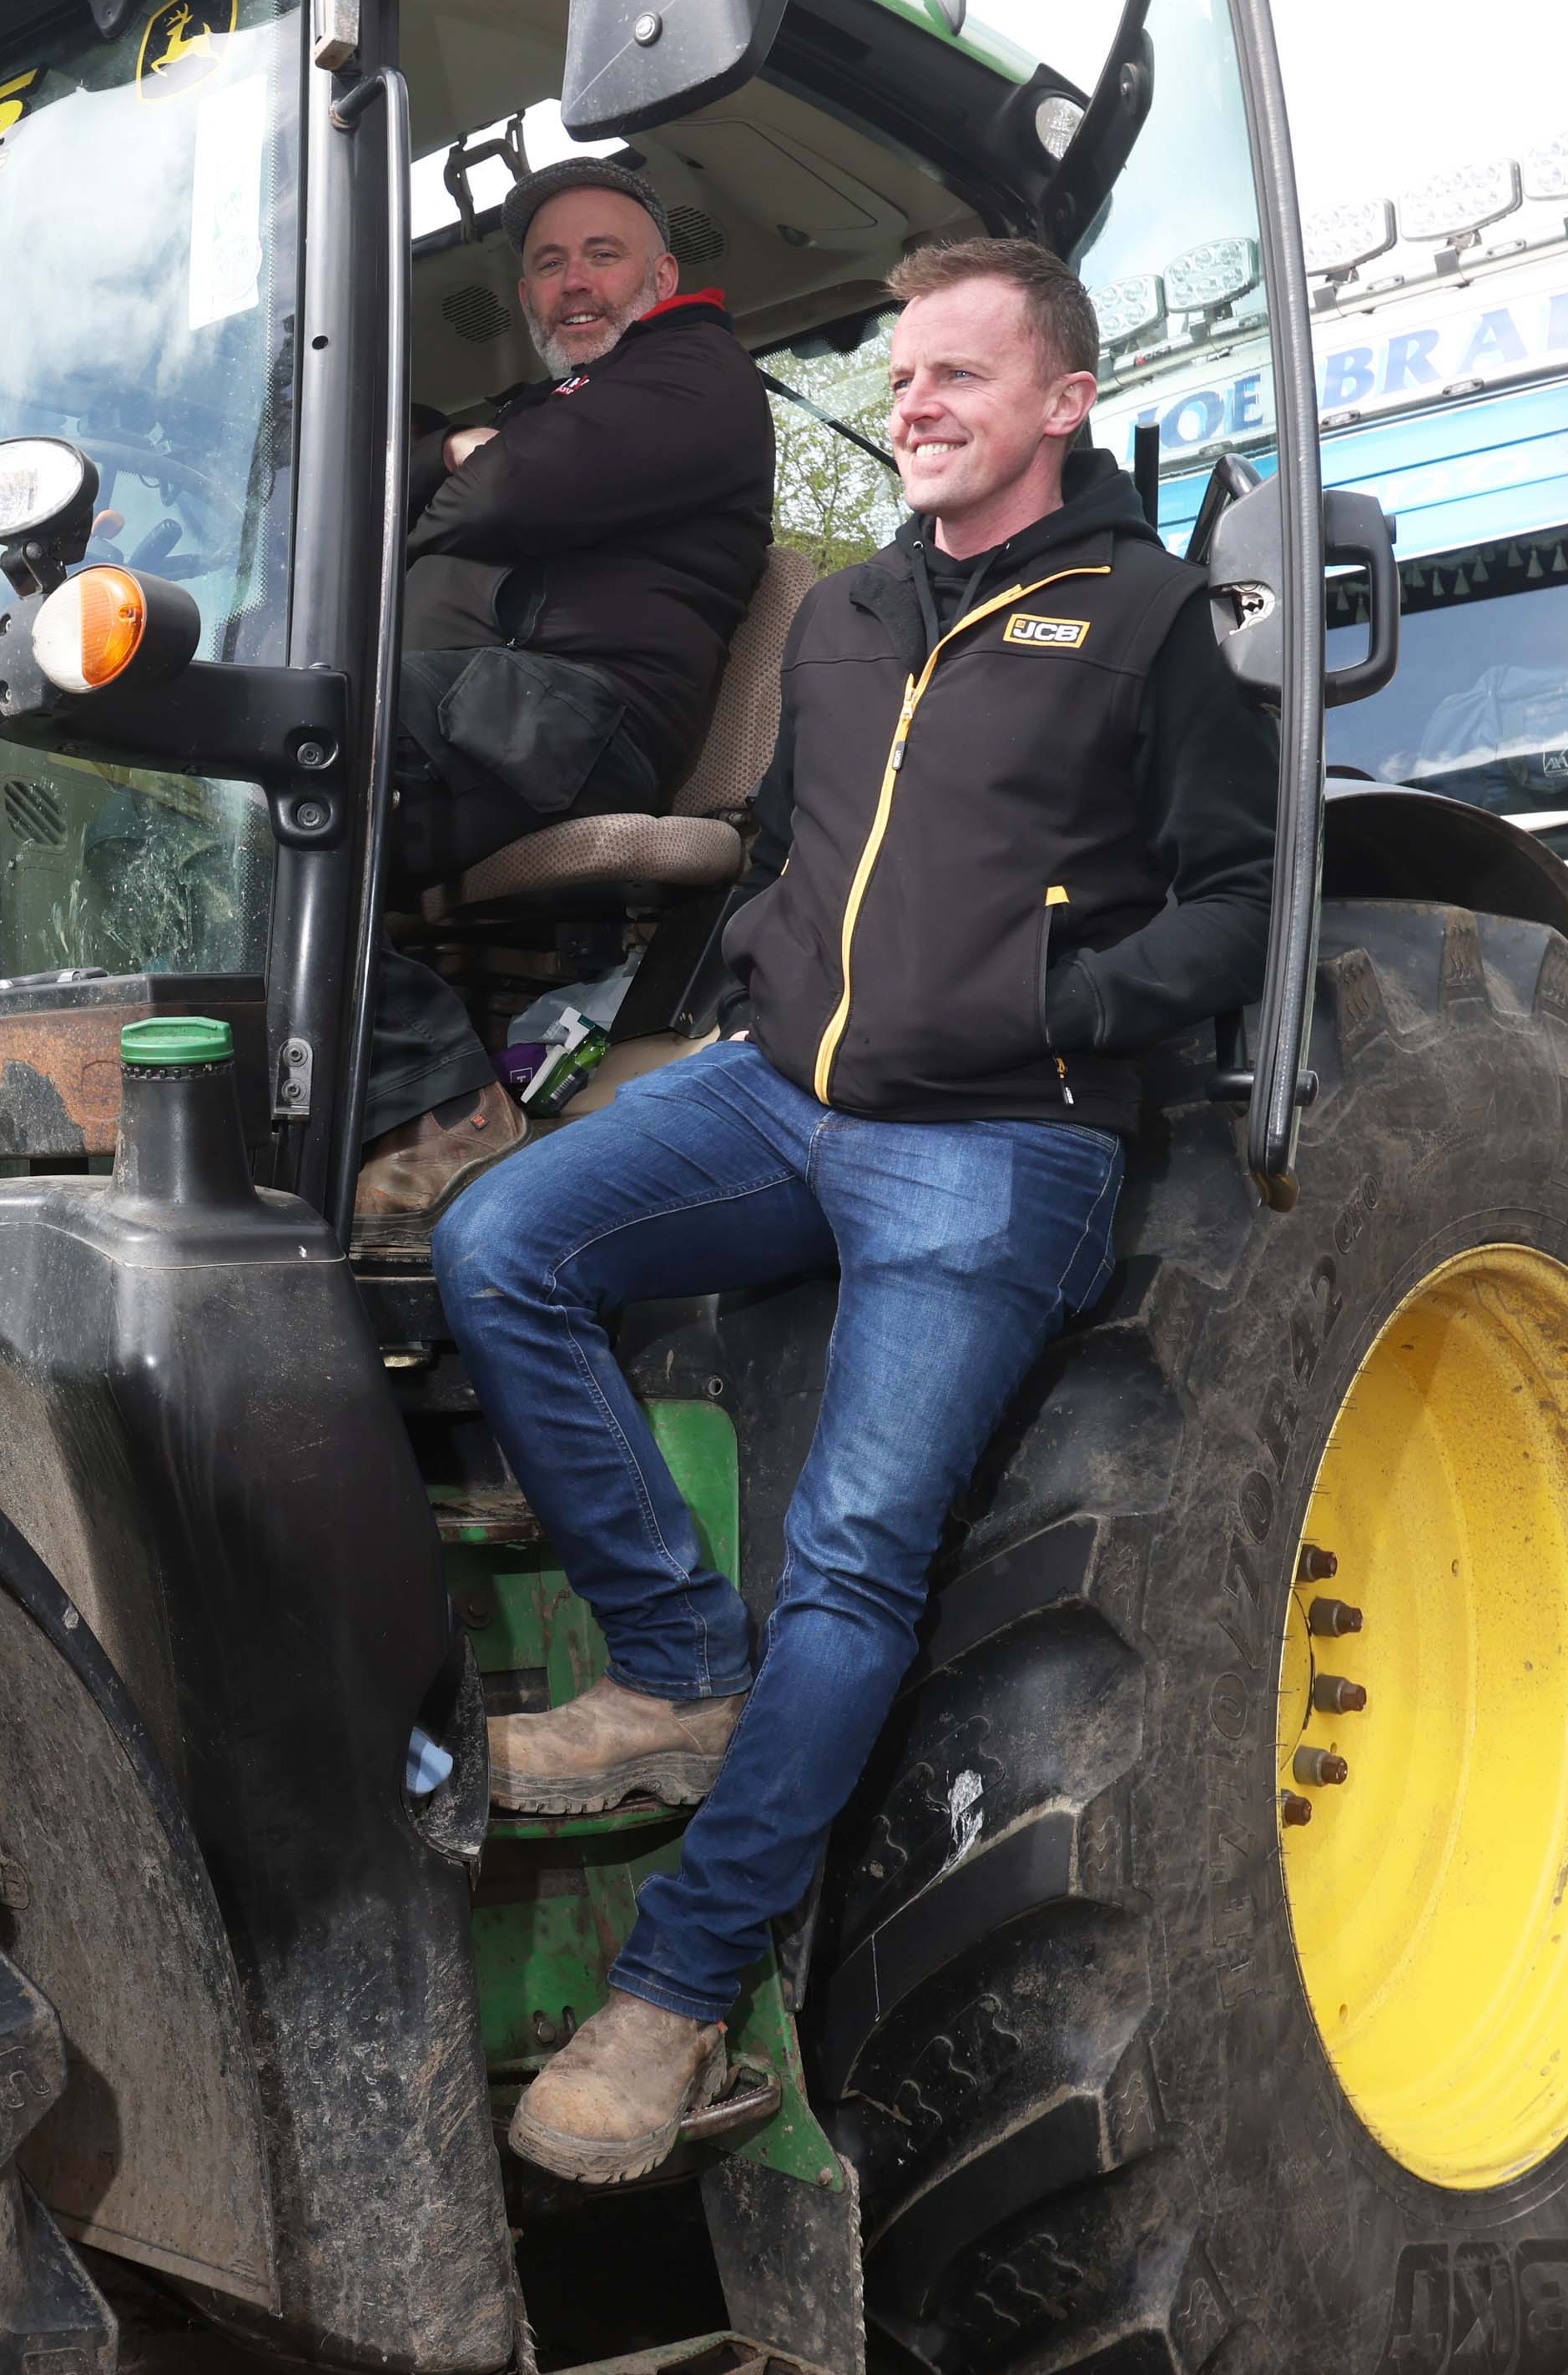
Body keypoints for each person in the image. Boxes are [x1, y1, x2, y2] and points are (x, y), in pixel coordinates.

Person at [433, 234, 1273, 2182]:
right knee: (497, 1244)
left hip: (992, 1140)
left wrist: (1060, 1010)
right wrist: (757, 982)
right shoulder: (844, 614)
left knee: (851, 1559)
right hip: (786, 1095)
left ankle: (668, 1994)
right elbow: (782, 847)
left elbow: (1236, 899)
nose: (915, 405)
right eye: (900, 379)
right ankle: (672, 1663)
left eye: (956, 374)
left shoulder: (1145, 620)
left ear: (1061, 398)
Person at [351, 156, 769, 1245]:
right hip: (491, 712)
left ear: (661, 275)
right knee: (202, 800)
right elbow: (379, 509)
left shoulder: (696, 369)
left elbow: (512, 490)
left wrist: (446, 491)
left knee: (301, 737)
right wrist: (448, 451)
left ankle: (441, 1105)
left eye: (601, 254)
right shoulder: (550, 406)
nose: (573, 282)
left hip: (576, 717)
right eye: (547, 264)